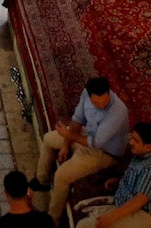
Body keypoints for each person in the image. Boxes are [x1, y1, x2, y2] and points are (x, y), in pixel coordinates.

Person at [30, 75, 130, 218]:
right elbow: (77, 120)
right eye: (96, 103)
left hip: (103, 152)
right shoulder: (85, 95)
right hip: (85, 135)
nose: (101, 106)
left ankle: (53, 219)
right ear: (90, 96)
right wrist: (66, 145)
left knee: (61, 176)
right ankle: (42, 180)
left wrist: (68, 136)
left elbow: (96, 142)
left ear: (109, 93)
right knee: (48, 139)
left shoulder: (118, 112)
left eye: (105, 102)